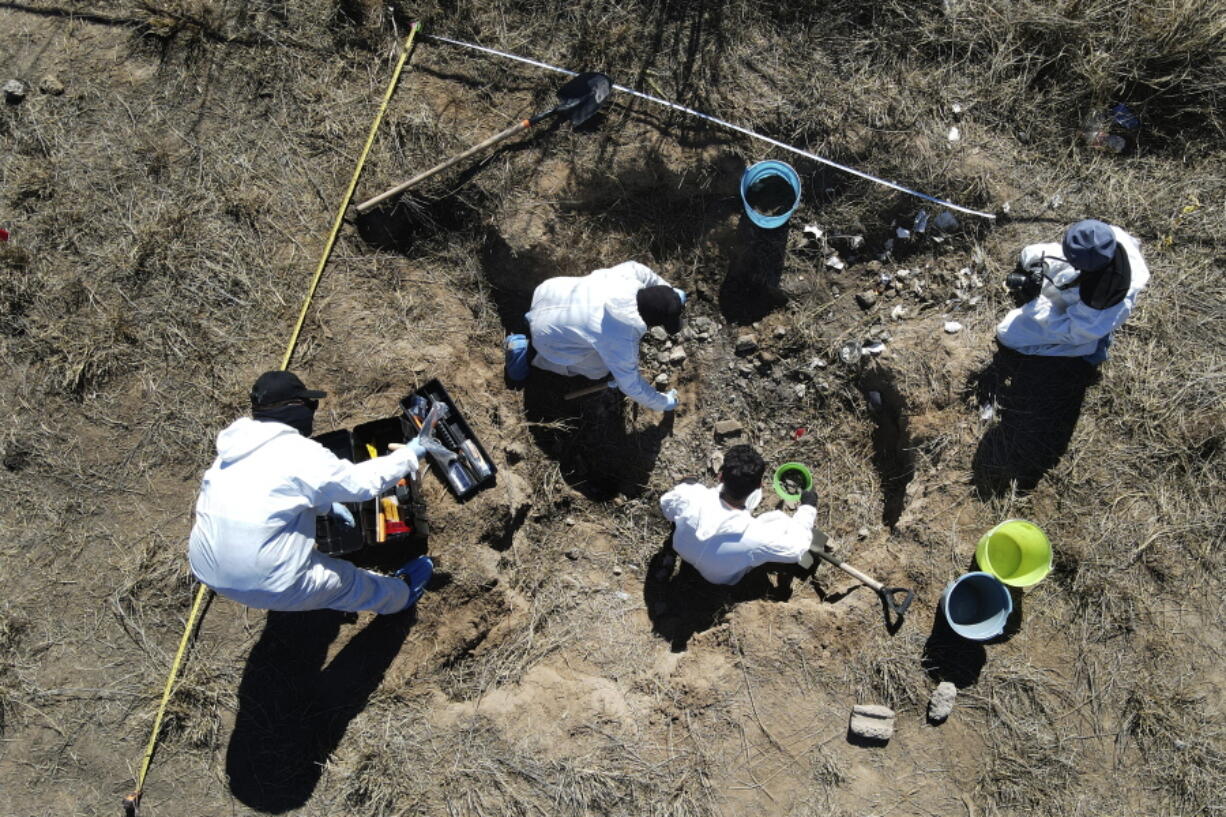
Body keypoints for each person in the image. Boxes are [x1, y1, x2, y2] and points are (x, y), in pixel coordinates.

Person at [188, 370, 433, 615]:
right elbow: (361, 484)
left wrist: (325, 507)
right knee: (347, 583)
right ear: (295, 407)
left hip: (206, 568)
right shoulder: (298, 452)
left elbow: (274, 494)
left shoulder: (233, 451)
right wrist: (410, 454)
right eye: (311, 404)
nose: (312, 411)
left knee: (310, 570)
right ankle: (401, 596)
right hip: (270, 582)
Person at [525, 260, 685, 411]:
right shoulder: (623, 337)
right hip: (544, 338)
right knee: (600, 369)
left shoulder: (626, 275)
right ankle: (534, 357)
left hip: (547, 292)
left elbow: (646, 274)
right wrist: (664, 403)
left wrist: (671, 294)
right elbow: (631, 386)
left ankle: (529, 319)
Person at [659, 445, 818, 585]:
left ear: (720, 476)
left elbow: (665, 504)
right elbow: (797, 549)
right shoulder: (757, 537)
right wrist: (808, 508)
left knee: (689, 486)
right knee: (780, 520)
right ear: (759, 485)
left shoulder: (691, 496)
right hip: (719, 578)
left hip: (683, 551)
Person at [996, 219, 1149, 363]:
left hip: (1083, 327)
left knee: (1006, 333)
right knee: (1029, 254)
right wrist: (1038, 266)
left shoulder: (1100, 303)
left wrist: (1034, 302)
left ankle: (1093, 346)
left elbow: (1069, 330)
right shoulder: (1103, 239)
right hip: (1084, 273)